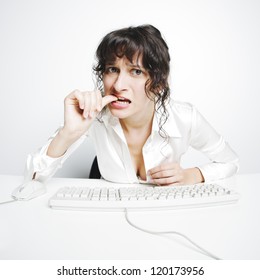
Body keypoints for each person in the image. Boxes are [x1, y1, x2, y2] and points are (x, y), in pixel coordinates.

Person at [24, 24, 239, 186]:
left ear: (158, 83)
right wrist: (68, 133)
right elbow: (32, 179)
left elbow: (230, 162)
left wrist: (194, 175)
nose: (118, 85)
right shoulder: (94, 115)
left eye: (136, 71)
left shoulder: (185, 117)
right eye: (112, 69)